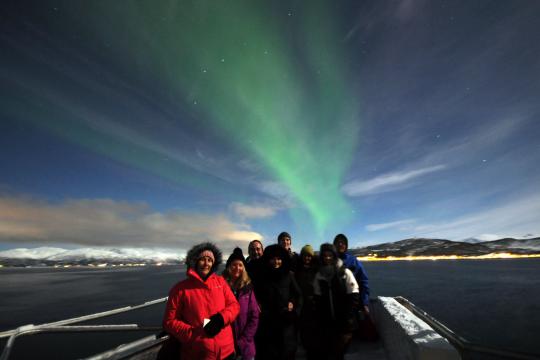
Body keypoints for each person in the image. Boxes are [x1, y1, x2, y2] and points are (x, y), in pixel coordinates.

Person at [163, 242, 240, 360]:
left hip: (226, 350)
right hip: (198, 353)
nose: (206, 263)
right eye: (202, 259)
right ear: (195, 261)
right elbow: (169, 321)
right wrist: (193, 334)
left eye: (209, 260)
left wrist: (221, 319)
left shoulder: (221, 282)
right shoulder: (180, 289)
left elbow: (234, 305)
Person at [255, 244, 303, 360]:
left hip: (286, 324)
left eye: (279, 258)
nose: (276, 262)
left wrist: (293, 308)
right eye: (273, 258)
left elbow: (298, 295)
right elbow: (257, 298)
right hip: (268, 325)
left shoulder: (289, 275)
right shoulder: (262, 277)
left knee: (287, 353)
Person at [313, 243, 360, 360]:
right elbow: (317, 299)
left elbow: (354, 295)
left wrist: (348, 317)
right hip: (327, 322)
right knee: (329, 351)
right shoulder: (319, 276)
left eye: (330, 255)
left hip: (343, 321)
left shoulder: (344, 272)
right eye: (325, 256)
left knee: (339, 351)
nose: (327, 258)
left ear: (334, 256)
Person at [222, 248, 260, 360]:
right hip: (226, 345)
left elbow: (254, 316)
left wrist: (244, 340)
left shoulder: (247, 288)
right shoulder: (220, 287)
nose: (237, 268)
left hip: (246, 346)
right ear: (229, 267)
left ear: (243, 268)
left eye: (240, 265)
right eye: (234, 265)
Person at [333, 234, 370, 316]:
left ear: (346, 246)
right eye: (338, 242)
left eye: (343, 242)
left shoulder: (353, 261)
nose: (340, 244)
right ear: (334, 245)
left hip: (352, 304)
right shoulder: (330, 261)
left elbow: (364, 281)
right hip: (334, 304)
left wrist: (364, 302)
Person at [294, 245, 319, 360]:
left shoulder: (316, 269)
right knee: (304, 330)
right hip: (302, 305)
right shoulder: (297, 269)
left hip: (315, 305)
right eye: (305, 255)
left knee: (314, 331)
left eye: (309, 256)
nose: (307, 258)